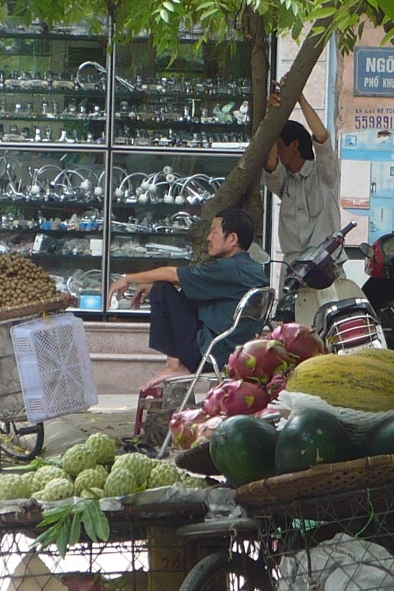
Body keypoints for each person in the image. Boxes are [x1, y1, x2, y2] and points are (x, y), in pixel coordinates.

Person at [107, 207, 269, 390]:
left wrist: (128, 278)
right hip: (238, 351)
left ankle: (175, 366)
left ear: (232, 239)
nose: (209, 238)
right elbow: (189, 283)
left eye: (214, 232)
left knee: (162, 289)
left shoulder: (227, 269)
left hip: (212, 354)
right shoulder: (252, 268)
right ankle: (176, 365)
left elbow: (172, 274)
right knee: (177, 290)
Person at [263, 82, 341, 258]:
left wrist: (299, 97)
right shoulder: (285, 182)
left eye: (280, 147)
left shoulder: (325, 174)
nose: (277, 153)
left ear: (295, 146)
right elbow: (270, 164)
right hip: (292, 269)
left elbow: (322, 137)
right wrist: (274, 115)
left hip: (324, 268)